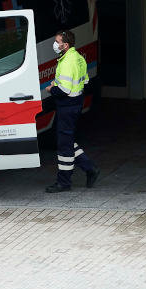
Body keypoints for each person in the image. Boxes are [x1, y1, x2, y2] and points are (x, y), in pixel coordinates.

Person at [45, 29, 100, 193]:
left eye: (57, 42)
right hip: (75, 103)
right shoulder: (78, 57)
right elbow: (85, 80)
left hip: (67, 105)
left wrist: (50, 89)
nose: (55, 44)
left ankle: (64, 182)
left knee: (64, 146)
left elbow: (64, 90)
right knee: (66, 141)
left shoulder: (68, 61)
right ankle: (89, 168)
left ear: (66, 45)